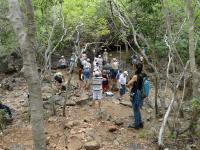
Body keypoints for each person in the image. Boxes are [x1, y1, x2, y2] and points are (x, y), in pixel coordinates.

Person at [127, 63, 144, 129]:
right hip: (140, 93)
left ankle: (136, 125)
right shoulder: (142, 75)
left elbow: (129, 84)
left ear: (136, 68)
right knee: (137, 109)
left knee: (135, 109)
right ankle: (140, 123)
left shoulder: (135, 76)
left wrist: (129, 84)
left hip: (135, 93)